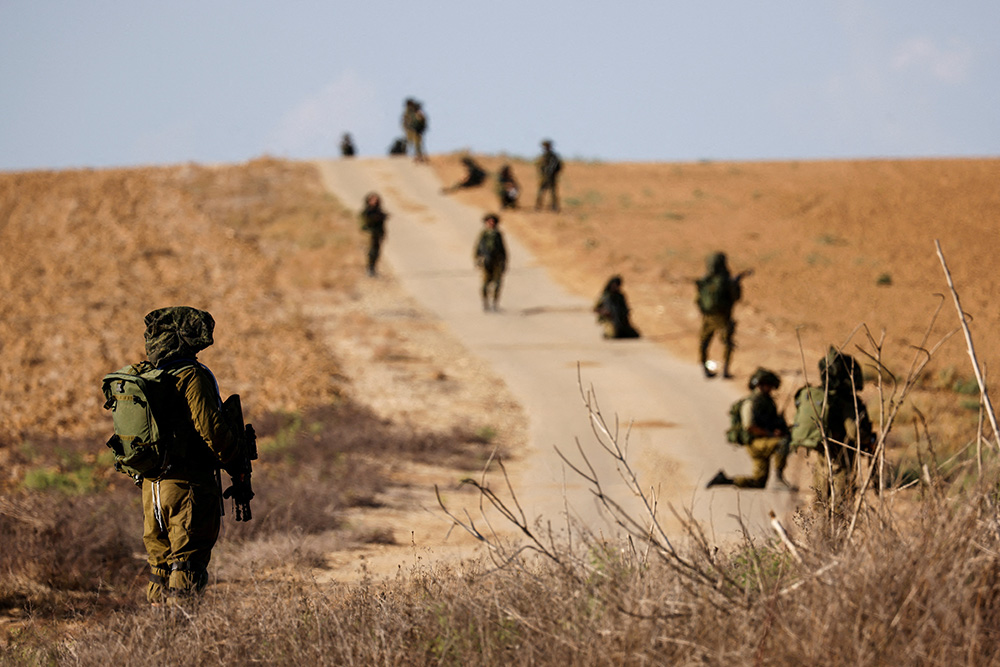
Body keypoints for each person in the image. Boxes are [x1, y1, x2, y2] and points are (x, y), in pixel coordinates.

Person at [137, 307, 242, 605]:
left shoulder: (151, 376)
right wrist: (235, 462)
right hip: (187, 488)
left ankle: (158, 639)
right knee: (186, 567)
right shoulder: (191, 376)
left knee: (160, 567)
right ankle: (181, 640)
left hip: (153, 488)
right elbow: (212, 430)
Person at [791, 347, 875, 519]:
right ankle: (835, 542)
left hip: (823, 459)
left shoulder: (819, 395)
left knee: (820, 504)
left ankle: (819, 540)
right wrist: (868, 439)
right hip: (841, 460)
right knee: (841, 508)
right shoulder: (847, 401)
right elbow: (854, 433)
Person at [707, 368, 793, 490]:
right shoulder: (751, 403)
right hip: (755, 443)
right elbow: (749, 427)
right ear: (761, 385)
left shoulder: (767, 401)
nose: (771, 389)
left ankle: (725, 480)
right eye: (769, 386)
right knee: (782, 442)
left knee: (759, 482)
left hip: (762, 442)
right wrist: (771, 434)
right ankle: (778, 479)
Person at [695, 252, 751, 379]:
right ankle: (725, 370)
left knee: (704, 342)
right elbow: (736, 297)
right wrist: (736, 284)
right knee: (727, 343)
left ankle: (704, 367)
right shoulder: (726, 280)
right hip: (723, 317)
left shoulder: (705, 279)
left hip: (707, 317)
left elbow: (697, 299)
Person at [474, 213, 507, 311]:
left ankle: (495, 303)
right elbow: (477, 248)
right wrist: (477, 260)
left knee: (497, 284)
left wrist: (504, 262)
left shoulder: (498, 234)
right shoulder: (483, 234)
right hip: (486, 262)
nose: (491, 223)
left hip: (497, 262)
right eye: (489, 222)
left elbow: (503, 249)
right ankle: (485, 302)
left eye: (493, 222)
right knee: (485, 284)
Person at [593, 275, 640, 339]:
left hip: (621, 321)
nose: (616, 287)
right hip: (609, 320)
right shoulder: (605, 296)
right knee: (613, 335)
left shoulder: (620, 296)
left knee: (634, 335)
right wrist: (605, 312)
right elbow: (595, 309)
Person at [359, 192, 388, 276]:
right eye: (372, 200)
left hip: (378, 234)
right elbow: (366, 223)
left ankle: (373, 269)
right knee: (371, 252)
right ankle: (370, 269)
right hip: (370, 235)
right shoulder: (367, 211)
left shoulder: (378, 210)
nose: (374, 202)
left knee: (376, 252)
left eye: (375, 200)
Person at [534, 139, 563, 211]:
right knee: (541, 192)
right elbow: (539, 166)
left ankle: (554, 206)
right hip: (544, 177)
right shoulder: (542, 157)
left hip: (551, 177)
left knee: (553, 193)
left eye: (547, 146)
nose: (546, 148)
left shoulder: (554, 157)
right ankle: (538, 206)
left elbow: (559, 166)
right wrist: (542, 172)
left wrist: (554, 173)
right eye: (545, 146)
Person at [402, 98, 428, 163]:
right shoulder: (414, 112)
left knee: (414, 143)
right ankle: (418, 156)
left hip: (412, 130)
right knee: (416, 144)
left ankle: (416, 156)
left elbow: (405, 122)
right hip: (415, 130)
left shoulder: (409, 112)